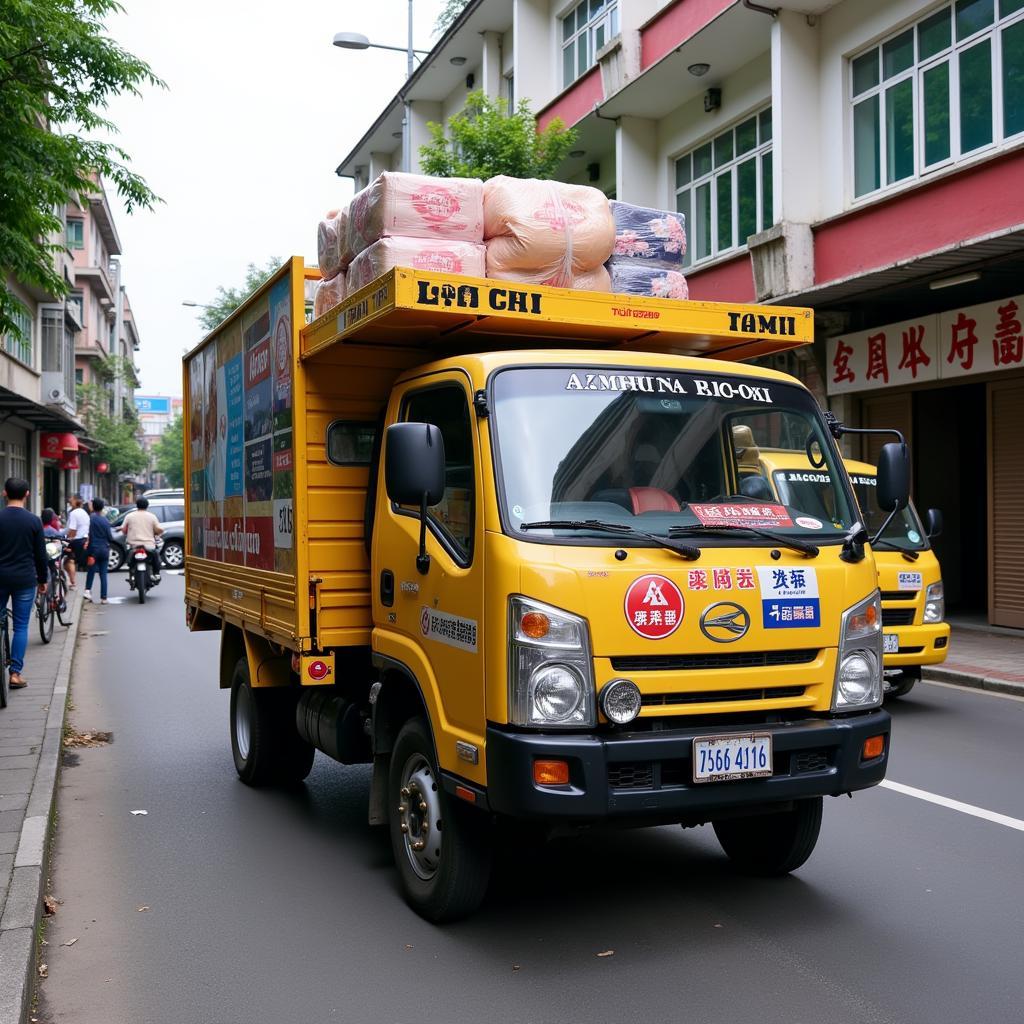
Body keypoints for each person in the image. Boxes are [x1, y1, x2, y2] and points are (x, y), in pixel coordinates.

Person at [0, 478, 48, 690]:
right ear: (27, 494)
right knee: (20, 626)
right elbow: (40, 555)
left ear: (4, 493)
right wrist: (43, 579)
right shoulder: (34, 521)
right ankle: (15, 674)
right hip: (25, 580)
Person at [121, 497, 163, 584]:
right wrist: (157, 533)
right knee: (156, 557)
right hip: (149, 546)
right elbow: (158, 529)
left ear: (136, 505)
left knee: (130, 561)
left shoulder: (129, 516)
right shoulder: (152, 516)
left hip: (133, 545)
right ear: (147, 506)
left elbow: (123, 530)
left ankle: (132, 574)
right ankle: (156, 574)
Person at [84, 498, 114, 603]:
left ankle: (88, 591)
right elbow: (110, 537)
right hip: (104, 550)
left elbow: (88, 534)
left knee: (91, 571)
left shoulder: (90, 519)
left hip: (93, 550)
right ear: (102, 508)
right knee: (103, 574)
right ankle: (104, 598)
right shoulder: (105, 520)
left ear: (93, 507)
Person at [65, 495, 90, 589]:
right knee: (72, 561)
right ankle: (73, 581)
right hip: (83, 539)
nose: (69, 501)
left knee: (69, 561)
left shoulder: (74, 513)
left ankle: (73, 582)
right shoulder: (84, 512)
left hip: (77, 540)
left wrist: (67, 540)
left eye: (71, 500)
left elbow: (73, 530)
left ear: (75, 501)